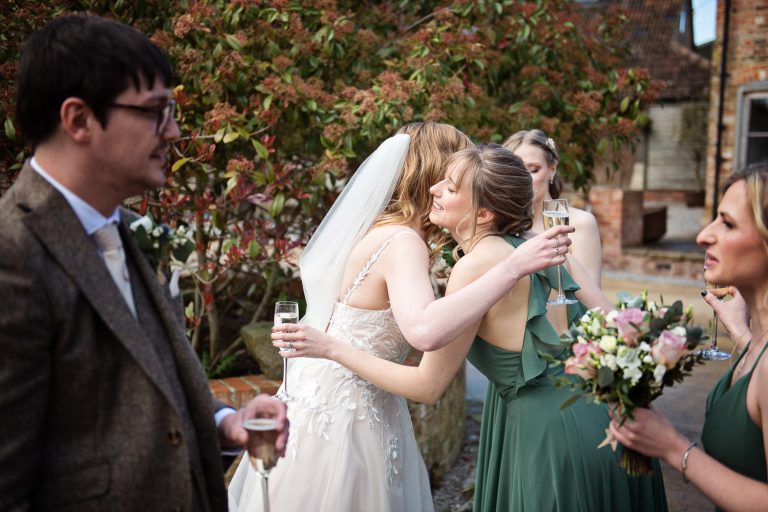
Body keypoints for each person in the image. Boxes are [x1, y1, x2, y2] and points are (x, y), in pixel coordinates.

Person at [276, 144, 668, 511]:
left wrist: (331, 348)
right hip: (602, 420)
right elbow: (618, 326)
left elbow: (426, 386)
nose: (434, 189)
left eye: (449, 187)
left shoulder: (474, 267)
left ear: (482, 214)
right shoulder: (541, 243)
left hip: (549, 435)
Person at [0, 15, 287, 511]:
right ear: (79, 120)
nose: (173, 132)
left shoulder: (138, 233)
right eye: (156, 111)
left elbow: (152, 385)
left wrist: (226, 423)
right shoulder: (12, 255)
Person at [228, 125, 574, 511]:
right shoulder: (405, 242)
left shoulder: (380, 229)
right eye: (452, 174)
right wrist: (514, 266)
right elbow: (424, 330)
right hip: (347, 418)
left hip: (329, 403)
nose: (442, 188)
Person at [610, 163, 768, 511]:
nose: (703, 236)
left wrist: (673, 447)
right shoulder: (755, 344)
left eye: (727, 223)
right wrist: (741, 334)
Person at [504, 129, 603, 286]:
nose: (524, 179)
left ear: (552, 169)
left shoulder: (581, 223)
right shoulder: (502, 224)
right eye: (516, 171)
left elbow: (592, 295)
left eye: (533, 170)